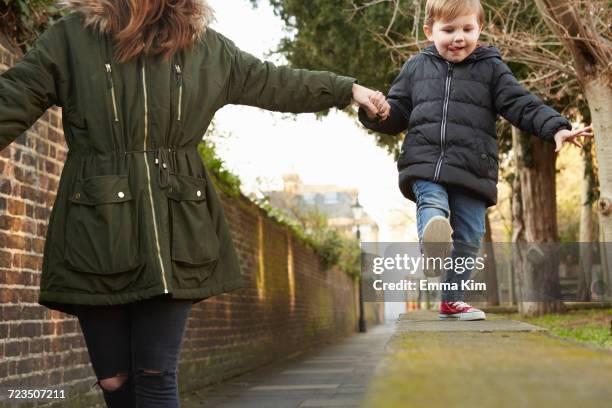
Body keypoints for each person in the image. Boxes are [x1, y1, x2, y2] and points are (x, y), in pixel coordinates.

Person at [0, 0, 382, 406]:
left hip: (176, 232)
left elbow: (274, 82)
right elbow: (15, 95)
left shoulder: (205, 47)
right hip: (98, 232)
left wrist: (346, 89)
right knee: (113, 380)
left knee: (155, 373)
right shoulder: (71, 37)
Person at [358, 0, 593, 321]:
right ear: (430, 31)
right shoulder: (416, 67)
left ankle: (452, 300)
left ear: (479, 30)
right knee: (433, 203)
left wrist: (556, 127)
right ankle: (433, 248)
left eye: (467, 29)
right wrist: (377, 112)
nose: (459, 38)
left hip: (472, 166)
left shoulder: (491, 69)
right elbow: (397, 112)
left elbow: (520, 103)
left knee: (469, 236)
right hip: (425, 161)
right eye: (449, 30)